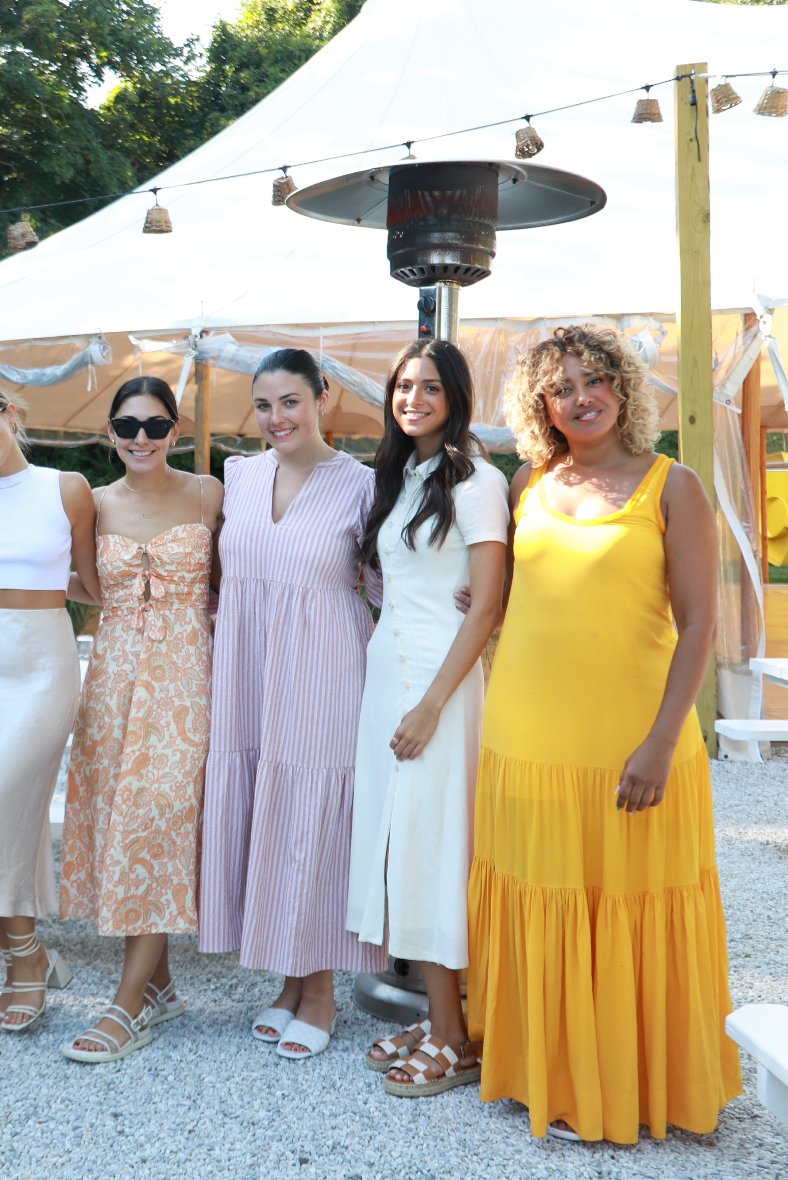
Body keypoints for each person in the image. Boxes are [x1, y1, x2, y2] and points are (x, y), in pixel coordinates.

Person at [468, 325, 742, 1142]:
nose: (580, 398)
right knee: (542, 897)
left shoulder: (673, 485)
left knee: (633, 908)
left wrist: (661, 742)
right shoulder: (526, 482)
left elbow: (700, 627)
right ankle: (547, 1075)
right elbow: (510, 597)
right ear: (540, 407)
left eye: (594, 380)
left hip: (634, 744)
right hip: (526, 741)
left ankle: (634, 1084)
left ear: (623, 387)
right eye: (560, 389)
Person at [197, 347, 385, 1061]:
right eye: (264, 404)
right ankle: (288, 978)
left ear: (323, 398)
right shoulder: (239, 476)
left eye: (291, 401)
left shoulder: (364, 485)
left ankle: (321, 990)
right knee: (265, 809)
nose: (277, 417)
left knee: (311, 814)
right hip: (249, 667)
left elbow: (389, 582)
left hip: (326, 668)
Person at [344, 341, 508, 1096]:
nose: (413, 398)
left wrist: (434, 702)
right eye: (404, 385)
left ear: (456, 397)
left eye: (431, 387)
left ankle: (455, 1038)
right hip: (391, 676)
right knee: (400, 847)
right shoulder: (404, 476)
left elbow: (488, 602)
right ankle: (443, 1017)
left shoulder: (476, 481)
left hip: (439, 684)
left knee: (433, 847)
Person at [59, 377, 222, 1063]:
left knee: (159, 815)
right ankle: (158, 985)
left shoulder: (211, 494)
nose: (141, 438)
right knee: (119, 817)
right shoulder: (93, 503)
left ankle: (126, 1006)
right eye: (127, 426)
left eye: (156, 426)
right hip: (114, 677)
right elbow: (80, 584)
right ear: (110, 432)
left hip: (186, 678)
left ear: (175, 432)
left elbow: (240, 580)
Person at [0, 379, 101, 1032]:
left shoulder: (68, 487)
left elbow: (92, 585)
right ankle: (27, 960)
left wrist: (42, 579)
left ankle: (26, 959)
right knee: (12, 820)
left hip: (43, 667)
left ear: (9, 414)